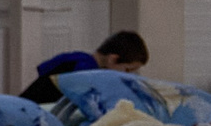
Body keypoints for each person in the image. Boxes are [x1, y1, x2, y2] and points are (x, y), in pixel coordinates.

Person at [18, 30, 150, 103]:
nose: (127, 75)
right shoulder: (86, 71)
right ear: (113, 59)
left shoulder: (76, 58)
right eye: (127, 70)